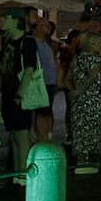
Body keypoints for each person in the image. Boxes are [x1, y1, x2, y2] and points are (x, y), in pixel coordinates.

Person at [0, 11, 41, 176]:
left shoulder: (27, 41)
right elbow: (4, 68)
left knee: (21, 136)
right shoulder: (8, 41)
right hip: (9, 94)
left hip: (20, 95)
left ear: (16, 21)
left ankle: (23, 174)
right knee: (14, 136)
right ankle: (17, 172)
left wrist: (19, 95)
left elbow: (29, 69)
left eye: (6, 17)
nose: (3, 20)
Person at [63, 31, 101, 166]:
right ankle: (89, 161)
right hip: (92, 99)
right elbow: (92, 78)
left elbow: (67, 80)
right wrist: (79, 91)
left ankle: (80, 159)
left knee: (79, 129)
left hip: (77, 102)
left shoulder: (76, 59)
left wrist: (73, 91)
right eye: (98, 42)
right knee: (91, 129)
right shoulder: (96, 60)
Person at [31, 16, 60, 144]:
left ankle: (47, 135)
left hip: (49, 82)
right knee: (42, 111)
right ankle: (42, 137)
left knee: (46, 110)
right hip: (41, 82)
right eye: (44, 25)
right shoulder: (34, 43)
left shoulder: (45, 44)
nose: (47, 28)